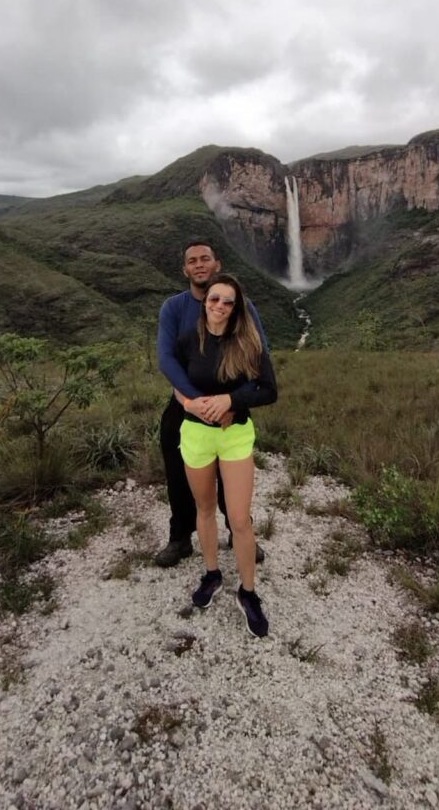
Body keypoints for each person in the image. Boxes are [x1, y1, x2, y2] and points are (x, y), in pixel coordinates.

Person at [176, 272, 277, 638]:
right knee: (204, 510)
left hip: (234, 436)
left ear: (237, 308)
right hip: (197, 435)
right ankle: (212, 573)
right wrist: (191, 402)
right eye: (214, 298)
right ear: (206, 302)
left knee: (239, 519)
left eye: (227, 301)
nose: (219, 305)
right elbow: (177, 386)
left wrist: (230, 400)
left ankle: (248, 593)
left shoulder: (248, 343)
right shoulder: (188, 341)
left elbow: (268, 391)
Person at [155, 242, 268, 568]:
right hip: (185, 405)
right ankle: (180, 539)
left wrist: (233, 401)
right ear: (185, 269)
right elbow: (166, 358)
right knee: (178, 475)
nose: (199, 265)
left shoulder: (242, 306)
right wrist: (196, 402)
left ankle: (238, 531)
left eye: (205, 259)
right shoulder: (174, 308)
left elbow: (259, 356)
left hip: (231, 406)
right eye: (192, 261)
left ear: (217, 264)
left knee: (231, 474)